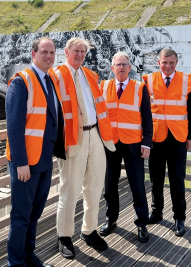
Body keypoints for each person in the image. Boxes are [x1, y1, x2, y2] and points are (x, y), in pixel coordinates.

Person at [51, 37, 115, 259]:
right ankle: (64, 236)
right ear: (66, 52)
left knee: (95, 186)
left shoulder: (90, 75)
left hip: (95, 134)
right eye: (76, 51)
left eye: (83, 52)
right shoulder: (56, 75)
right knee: (69, 189)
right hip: (72, 138)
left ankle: (89, 230)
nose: (79, 55)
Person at [5, 37, 65, 267]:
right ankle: (16, 263)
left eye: (52, 52)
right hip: (25, 163)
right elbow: (14, 126)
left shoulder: (50, 80)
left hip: (43, 161)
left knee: (34, 214)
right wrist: (20, 162)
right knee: (20, 217)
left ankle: (29, 257)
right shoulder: (21, 82)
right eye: (44, 52)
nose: (49, 56)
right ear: (33, 54)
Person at [142, 49, 191, 237]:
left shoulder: (186, 81)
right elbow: (145, 112)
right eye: (164, 62)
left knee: (177, 180)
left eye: (171, 63)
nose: (167, 66)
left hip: (178, 139)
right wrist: (145, 138)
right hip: (156, 139)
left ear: (177, 62)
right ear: (158, 62)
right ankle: (156, 212)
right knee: (155, 179)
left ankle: (179, 218)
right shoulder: (148, 80)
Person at [99, 52, 153, 242]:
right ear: (112, 68)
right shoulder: (103, 87)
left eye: (124, 64)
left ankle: (142, 224)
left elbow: (147, 117)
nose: (121, 67)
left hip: (134, 145)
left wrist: (147, 142)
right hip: (110, 145)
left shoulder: (140, 88)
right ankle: (111, 219)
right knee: (109, 186)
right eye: (117, 64)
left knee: (137, 186)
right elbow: (99, 116)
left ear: (130, 68)